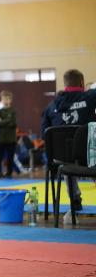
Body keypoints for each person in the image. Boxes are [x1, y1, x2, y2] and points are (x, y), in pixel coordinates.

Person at [40, 69, 96, 222]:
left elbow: (44, 134)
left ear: (64, 85)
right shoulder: (91, 97)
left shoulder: (51, 107)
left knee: (65, 161)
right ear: (82, 83)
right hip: (89, 158)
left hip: (62, 162)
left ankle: (74, 203)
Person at [0, 91, 18, 178]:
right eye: (4, 99)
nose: (5, 101)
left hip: (11, 139)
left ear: (10, 100)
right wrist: (6, 121)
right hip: (2, 138)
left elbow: (13, 123)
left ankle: (9, 172)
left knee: (10, 157)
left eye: (7, 99)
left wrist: (2, 121)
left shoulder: (13, 111)